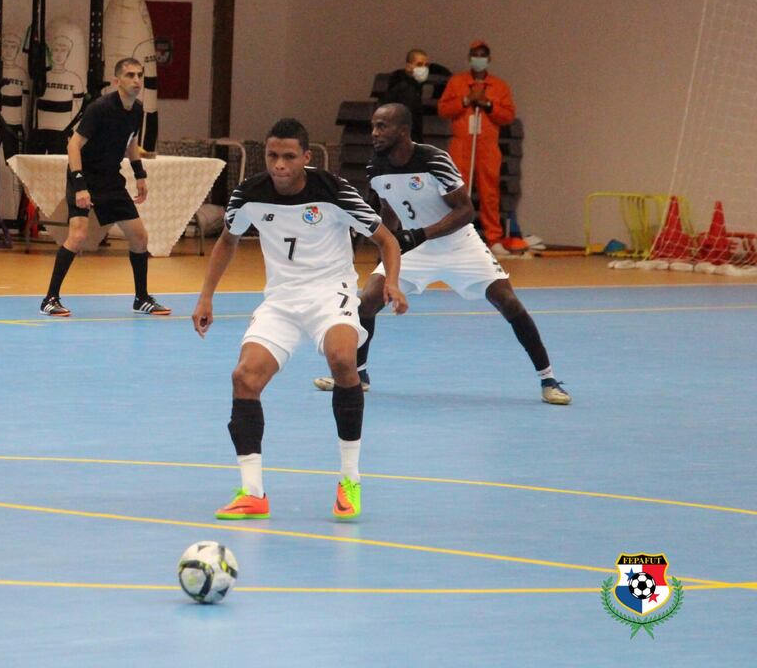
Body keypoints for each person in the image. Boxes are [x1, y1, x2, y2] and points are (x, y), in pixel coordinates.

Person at [192, 118, 408, 522]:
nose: (279, 164)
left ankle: (350, 479)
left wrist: (391, 282)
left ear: (305, 158)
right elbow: (227, 240)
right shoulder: (249, 194)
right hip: (282, 299)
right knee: (245, 377)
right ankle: (253, 492)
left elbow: (387, 240)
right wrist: (206, 296)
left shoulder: (334, 191)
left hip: (331, 293)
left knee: (343, 360)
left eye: (289, 156)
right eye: (273, 155)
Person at [312, 104, 571, 405]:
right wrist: (386, 250)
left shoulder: (434, 161)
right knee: (366, 301)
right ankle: (357, 374)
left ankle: (548, 379)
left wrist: (420, 234)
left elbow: (465, 211)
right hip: (414, 249)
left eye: (382, 126)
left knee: (508, 302)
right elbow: (389, 209)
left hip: (459, 245)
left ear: (403, 131)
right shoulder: (376, 166)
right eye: (373, 126)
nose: (374, 133)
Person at [39, 57, 169, 317]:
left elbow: (131, 143)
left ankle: (141, 298)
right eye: (130, 75)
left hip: (111, 179)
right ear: (116, 81)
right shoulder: (100, 108)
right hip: (84, 177)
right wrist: (79, 185)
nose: (136, 80)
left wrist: (139, 174)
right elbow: (73, 145)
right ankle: (49, 299)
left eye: (139, 75)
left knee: (139, 237)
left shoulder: (137, 110)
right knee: (77, 235)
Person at [438, 40, 516, 252]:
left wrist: (487, 104)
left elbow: (508, 115)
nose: (478, 58)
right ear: (469, 57)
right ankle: (454, 236)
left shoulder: (499, 86)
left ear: (488, 59)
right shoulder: (457, 82)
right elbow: (443, 109)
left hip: (487, 146)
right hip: (462, 145)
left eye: (482, 55)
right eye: (474, 54)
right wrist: (466, 100)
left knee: (489, 193)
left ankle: (494, 238)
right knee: (457, 190)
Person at [382, 48, 430, 139]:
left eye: (426, 65)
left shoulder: (412, 86)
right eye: (419, 64)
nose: (424, 68)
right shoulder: (405, 88)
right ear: (408, 66)